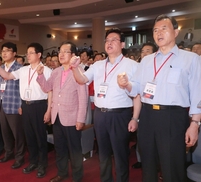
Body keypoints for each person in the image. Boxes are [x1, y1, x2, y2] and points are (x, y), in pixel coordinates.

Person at [117, 14, 201, 182]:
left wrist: (194, 124)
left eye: (164, 28)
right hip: (147, 116)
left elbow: (198, 93)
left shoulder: (190, 59)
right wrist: (126, 84)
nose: (159, 33)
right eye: (155, 30)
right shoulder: (147, 60)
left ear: (176, 32)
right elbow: (138, 89)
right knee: (147, 163)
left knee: (172, 167)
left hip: (173, 117)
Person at [70, 27, 140, 182]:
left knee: (121, 154)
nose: (109, 43)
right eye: (107, 40)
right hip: (100, 114)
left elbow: (137, 94)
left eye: (114, 40)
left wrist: (135, 118)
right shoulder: (98, 65)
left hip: (120, 115)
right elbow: (82, 79)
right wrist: (75, 68)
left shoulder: (132, 65)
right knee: (103, 153)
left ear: (122, 44)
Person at [0, 42, 52, 178]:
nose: (28, 55)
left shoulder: (46, 70)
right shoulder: (23, 70)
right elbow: (6, 76)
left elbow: (50, 91)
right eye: (27, 53)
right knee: (29, 137)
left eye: (31, 53)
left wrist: (49, 110)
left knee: (40, 137)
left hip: (39, 105)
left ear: (39, 54)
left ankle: (42, 164)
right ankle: (33, 162)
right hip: (25, 106)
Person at [36, 41, 88, 182]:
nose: (61, 54)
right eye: (60, 52)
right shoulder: (56, 72)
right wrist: (40, 76)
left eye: (65, 51)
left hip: (72, 118)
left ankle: (77, 176)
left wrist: (80, 119)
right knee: (60, 149)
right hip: (57, 116)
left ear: (73, 55)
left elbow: (83, 97)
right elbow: (48, 88)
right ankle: (62, 173)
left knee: (75, 150)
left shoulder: (79, 72)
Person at [132, 42, 157, 169]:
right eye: (143, 51)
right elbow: (135, 92)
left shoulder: (158, 68)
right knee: (141, 138)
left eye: (148, 51)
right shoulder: (138, 68)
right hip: (142, 108)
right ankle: (141, 160)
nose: (145, 53)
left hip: (156, 110)